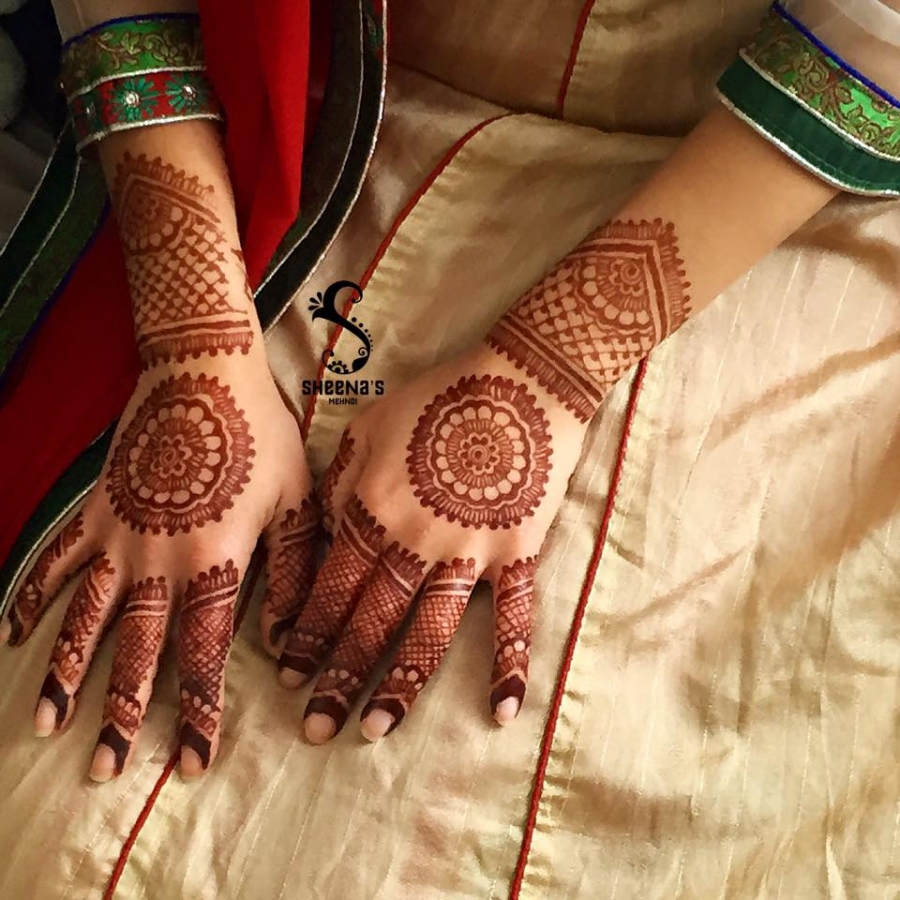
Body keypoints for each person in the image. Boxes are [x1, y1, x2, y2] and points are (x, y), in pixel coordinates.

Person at [0, 0, 897, 789]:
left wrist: (558, 359)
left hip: (746, 181)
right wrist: (192, 329)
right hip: (322, 123)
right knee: (63, 758)